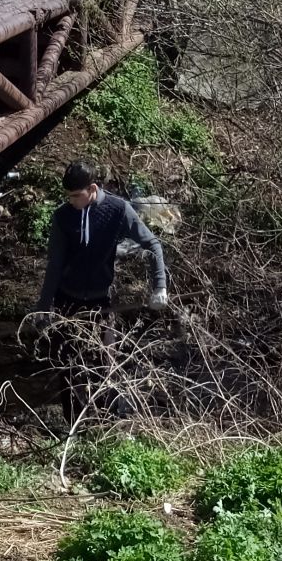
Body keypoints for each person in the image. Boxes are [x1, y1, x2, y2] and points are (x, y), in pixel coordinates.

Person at [32, 161, 169, 417]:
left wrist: (159, 286)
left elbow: (152, 244)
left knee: (104, 367)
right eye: (68, 196)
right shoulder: (63, 217)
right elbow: (55, 265)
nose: (72, 201)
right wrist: (43, 307)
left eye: (76, 196)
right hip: (67, 304)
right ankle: (72, 430)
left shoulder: (117, 210)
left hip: (101, 305)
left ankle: (102, 427)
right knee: (68, 369)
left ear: (92, 188)